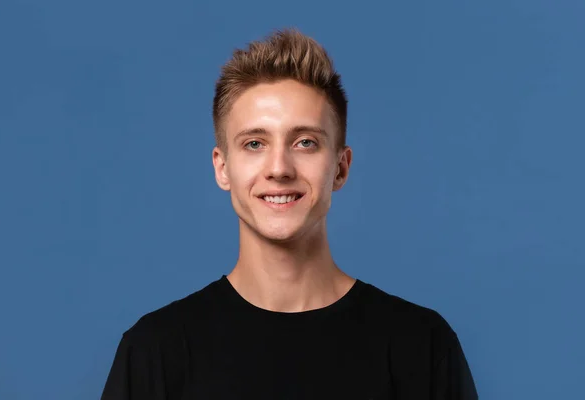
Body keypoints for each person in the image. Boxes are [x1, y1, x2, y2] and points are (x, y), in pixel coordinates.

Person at [100, 29, 478, 400]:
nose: (279, 168)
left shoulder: (421, 345)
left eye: (305, 142)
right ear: (223, 168)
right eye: (254, 143)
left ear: (340, 168)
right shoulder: (155, 352)